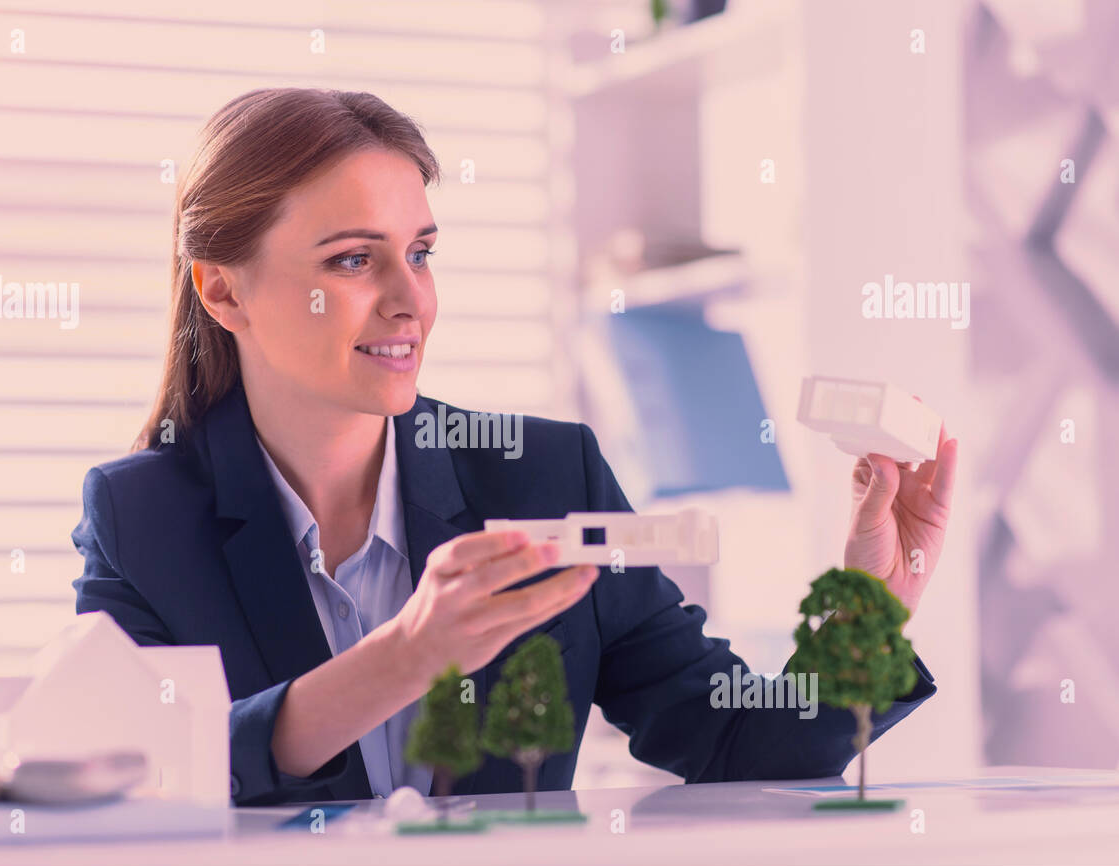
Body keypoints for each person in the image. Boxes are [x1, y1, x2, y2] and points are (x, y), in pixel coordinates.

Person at [71, 88, 959, 806]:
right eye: (352, 260)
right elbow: (143, 777)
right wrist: (402, 658)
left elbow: (733, 740)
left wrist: (864, 616)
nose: (409, 299)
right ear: (223, 291)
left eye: (420, 252)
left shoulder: (544, 475)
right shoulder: (139, 518)